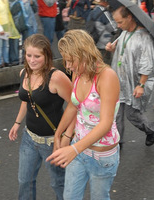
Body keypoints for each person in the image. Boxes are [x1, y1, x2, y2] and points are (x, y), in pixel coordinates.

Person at [46, 29, 120, 200]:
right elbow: (73, 104)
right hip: (79, 148)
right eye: (65, 60)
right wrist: (59, 133)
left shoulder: (107, 76)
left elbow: (105, 123)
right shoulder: (77, 73)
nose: (68, 66)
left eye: (71, 60)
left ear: (85, 53)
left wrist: (73, 149)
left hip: (102, 156)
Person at [8, 34, 72, 200]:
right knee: (24, 181)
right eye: (29, 55)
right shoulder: (24, 73)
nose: (32, 60)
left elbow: (76, 106)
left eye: (37, 56)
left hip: (52, 141)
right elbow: (28, 100)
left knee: (59, 183)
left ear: (47, 56)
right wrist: (17, 123)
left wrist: (66, 136)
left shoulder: (56, 77)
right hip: (29, 138)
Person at [105, 6, 154, 147]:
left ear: (129, 17)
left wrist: (141, 84)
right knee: (116, 114)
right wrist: (112, 48)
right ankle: (117, 142)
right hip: (119, 81)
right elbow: (121, 52)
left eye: (120, 22)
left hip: (133, 84)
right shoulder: (123, 33)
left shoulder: (144, 37)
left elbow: (147, 63)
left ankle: (151, 129)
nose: (118, 25)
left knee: (131, 114)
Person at [90, 0, 117, 65]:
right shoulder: (104, 12)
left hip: (96, 41)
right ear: (104, 2)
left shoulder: (94, 10)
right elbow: (112, 27)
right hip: (104, 42)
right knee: (107, 63)